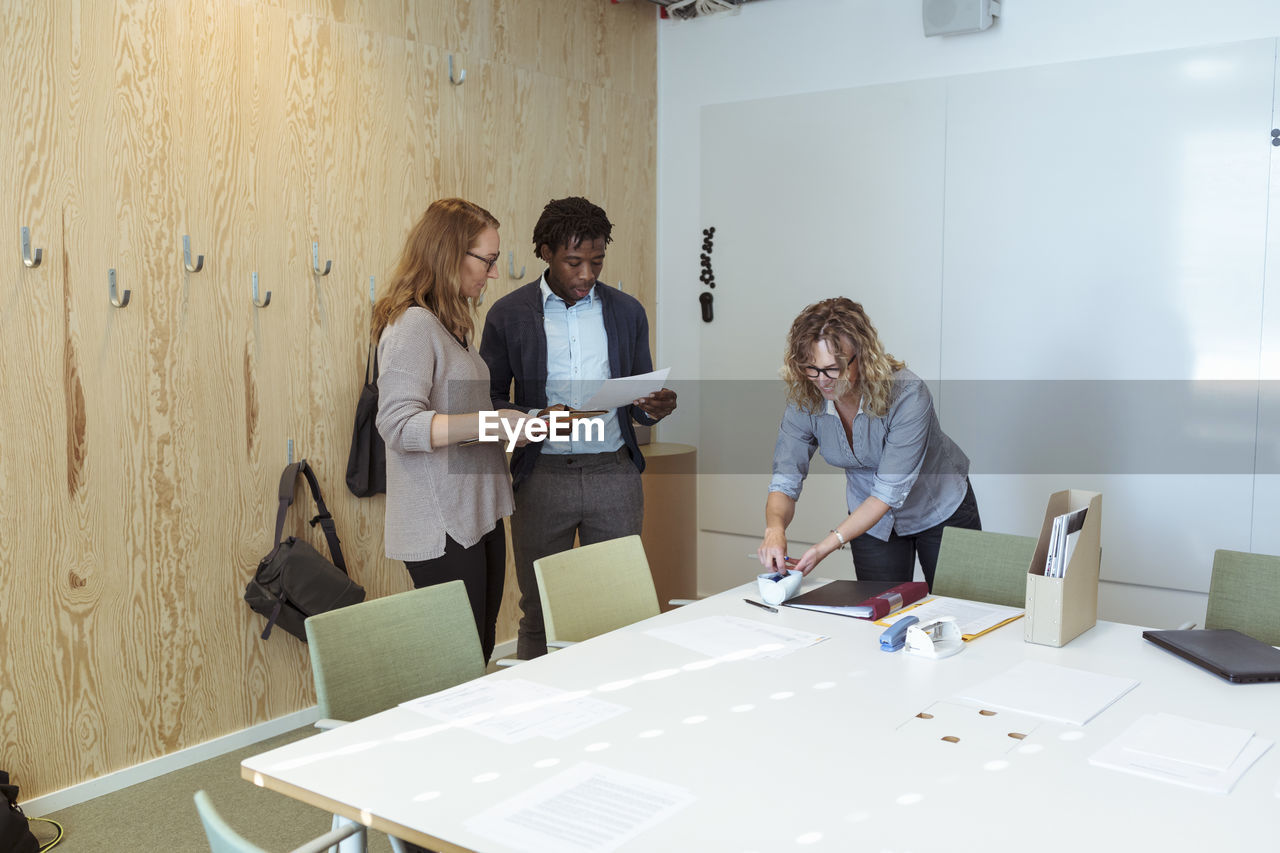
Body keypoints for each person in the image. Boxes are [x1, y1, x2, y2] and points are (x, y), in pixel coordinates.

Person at [481, 196, 677, 659]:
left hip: (615, 475)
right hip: (541, 478)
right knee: (540, 608)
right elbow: (486, 401)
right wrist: (534, 421)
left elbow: (637, 402)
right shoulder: (508, 315)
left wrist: (653, 408)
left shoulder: (627, 313)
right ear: (545, 252)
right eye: (573, 262)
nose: (586, 274)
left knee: (617, 607)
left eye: (596, 261)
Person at [373, 198, 528, 664]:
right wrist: (491, 422)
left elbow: (458, 418)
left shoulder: (452, 323)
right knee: (454, 666)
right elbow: (398, 424)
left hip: (475, 514)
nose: (494, 273)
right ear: (449, 253)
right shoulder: (412, 325)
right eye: (489, 259)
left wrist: (513, 424)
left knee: (475, 654)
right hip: (439, 525)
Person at [758, 297, 979, 587]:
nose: (822, 380)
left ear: (862, 356)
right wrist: (774, 529)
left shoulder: (908, 395)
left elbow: (887, 493)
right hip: (870, 520)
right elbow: (785, 481)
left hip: (939, 507)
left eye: (832, 368)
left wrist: (824, 546)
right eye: (811, 368)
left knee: (961, 614)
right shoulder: (805, 399)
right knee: (880, 611)